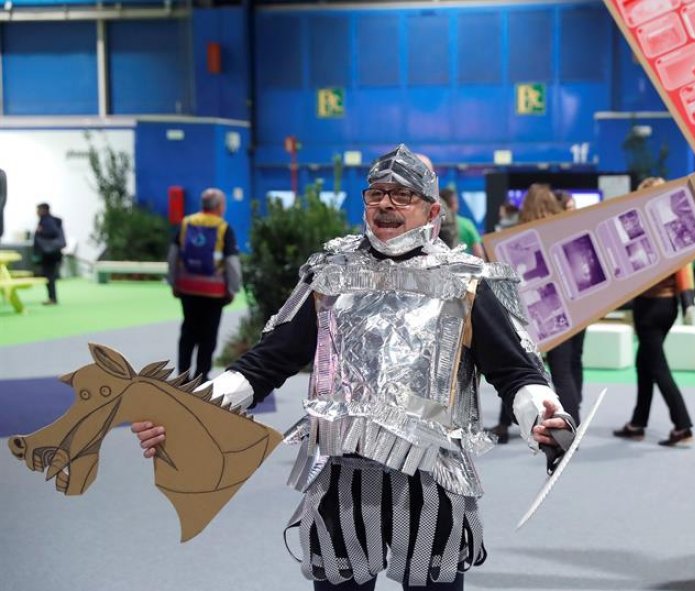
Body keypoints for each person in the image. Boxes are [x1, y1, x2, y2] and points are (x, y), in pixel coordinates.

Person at [135, 145, 574, 590]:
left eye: (402, 195)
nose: (385, 203)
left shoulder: (465, 283)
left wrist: (543, 414)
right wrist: (193, 410)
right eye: (377, 193)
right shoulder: (331, 274)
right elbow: (268, 361)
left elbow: (516, 372)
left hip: (432, 481)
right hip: (340, 475)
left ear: (432, 210)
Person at [490, 184, 584, 444]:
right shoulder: (562, 231)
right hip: (561, 310)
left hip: (525, 312)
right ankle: (569, 428)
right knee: (563, 370)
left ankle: (504, 423)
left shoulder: (515, 237)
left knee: (518, 367)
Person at [613, 177, 695, 447]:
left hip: (649, 306)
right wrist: (688, 303)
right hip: (668, 306)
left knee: (657, 367)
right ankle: (638, 423)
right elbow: (685, 269)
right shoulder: (672, 228)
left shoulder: (640, 232)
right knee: (644, 364)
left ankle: (683, 426)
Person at [167, 188, 241, 381]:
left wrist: (173, 281)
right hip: (213, 292)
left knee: (188, 331)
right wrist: (233, 287)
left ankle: (182, 376)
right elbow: (231, 261)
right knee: (208, 334)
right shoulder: (223, 228)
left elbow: (174, 254)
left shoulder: (186, 223)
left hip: (188, 289)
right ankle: (201, 376)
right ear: (219, 207)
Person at [32, 202, 65, 305]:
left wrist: (40, 231)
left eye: (38, 210)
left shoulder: (47, 221)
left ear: (44, 210)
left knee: (49, 276)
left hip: (49, 254)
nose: (37, 212)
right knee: (49, 276)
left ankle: (52, 298)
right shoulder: (49, 220)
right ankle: (51, 298)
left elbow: (53, 232)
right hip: (51, 253)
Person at [439, 188, 484, 258]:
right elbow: (479, 253)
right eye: (456, 202)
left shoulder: (435, 224)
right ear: (454, 204)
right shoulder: (467, 224)